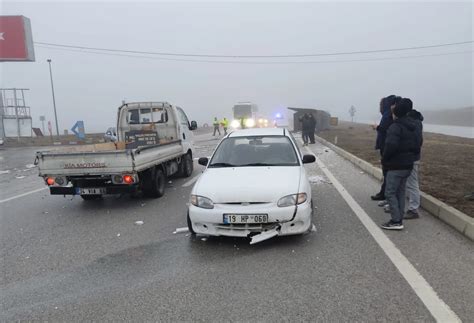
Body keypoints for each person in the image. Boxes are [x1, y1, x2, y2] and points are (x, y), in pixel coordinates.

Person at [381, 98, 422, 230]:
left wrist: (385, 158)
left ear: (395, 113)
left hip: (395, 165)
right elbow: (418, 144)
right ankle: (399, 216)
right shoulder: (414, 125)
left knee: (390, 192)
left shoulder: (396, 127)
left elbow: (390, 145)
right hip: (408, 164)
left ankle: (396, 220)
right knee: (400, 191)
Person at [371, 95, 399, 201]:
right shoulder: (389, 114)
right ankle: (385, 193)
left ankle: (385, 194)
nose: (379, 107)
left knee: (387, 171)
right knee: (387, 172)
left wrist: (377, 127)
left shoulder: (388, 115)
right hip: (385, 145)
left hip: (386, 146)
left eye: (380, 104)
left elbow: (385, 129)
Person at [404, 109, 424, 219]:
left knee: (412, 183)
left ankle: (413, 209)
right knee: (410, 183)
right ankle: (412, 207)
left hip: (412, 158)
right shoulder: (416, 123)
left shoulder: (414, 124)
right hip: (411, 157)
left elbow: (417, 142)